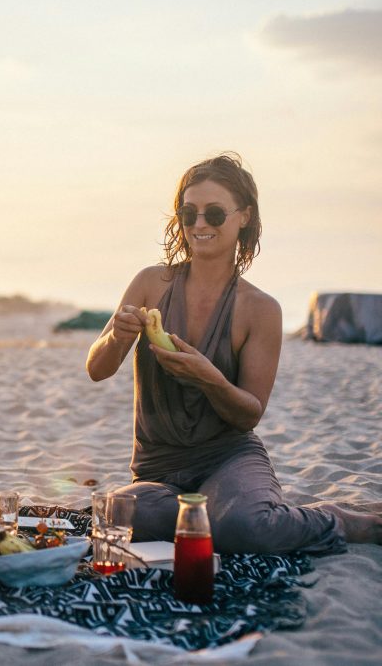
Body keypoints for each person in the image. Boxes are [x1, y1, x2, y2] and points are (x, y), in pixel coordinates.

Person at [86, 153, 380, 553]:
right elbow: (97, 369)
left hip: (228, 458)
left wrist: (208, 377)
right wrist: (117, 338)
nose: (200, 225)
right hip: (157, 470)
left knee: (245, 528)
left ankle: (337, 519)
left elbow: (249, 412)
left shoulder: (260, 309)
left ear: (243, 216)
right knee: (117, 514)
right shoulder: (151, 282)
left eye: (214, 214)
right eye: (188, 214)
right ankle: (222, 515)